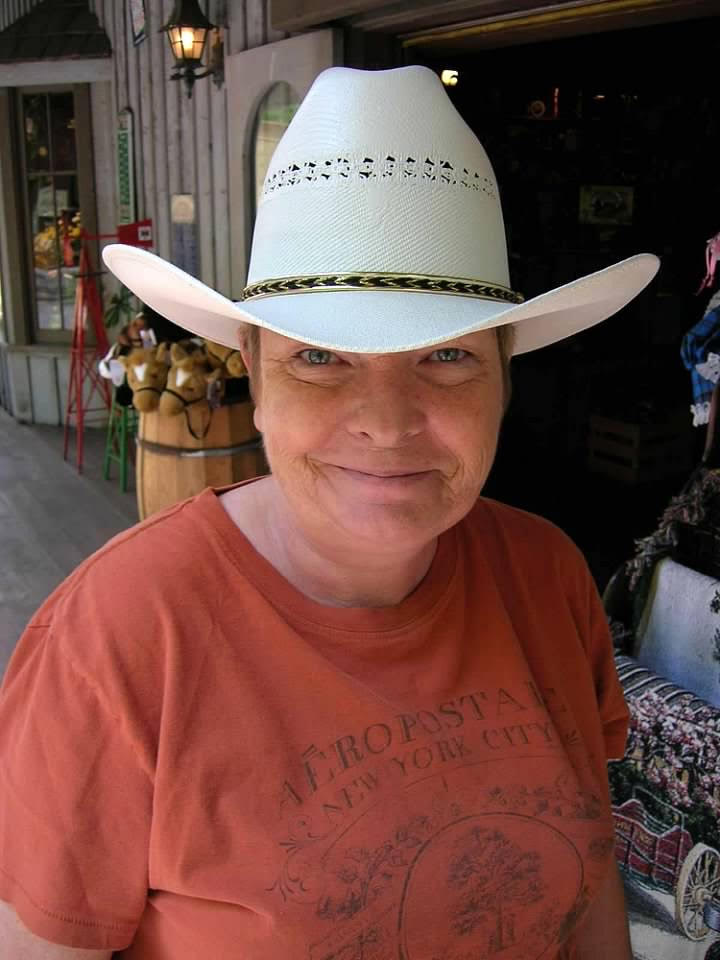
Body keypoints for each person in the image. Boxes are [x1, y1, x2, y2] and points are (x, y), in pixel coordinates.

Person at [0, 66, 658, 959]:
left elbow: (587, 879)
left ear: (505, 379)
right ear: (255, 375)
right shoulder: (117, 639)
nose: (387, 422)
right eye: (319, 356)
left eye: (448, 357)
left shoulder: (546, 574)